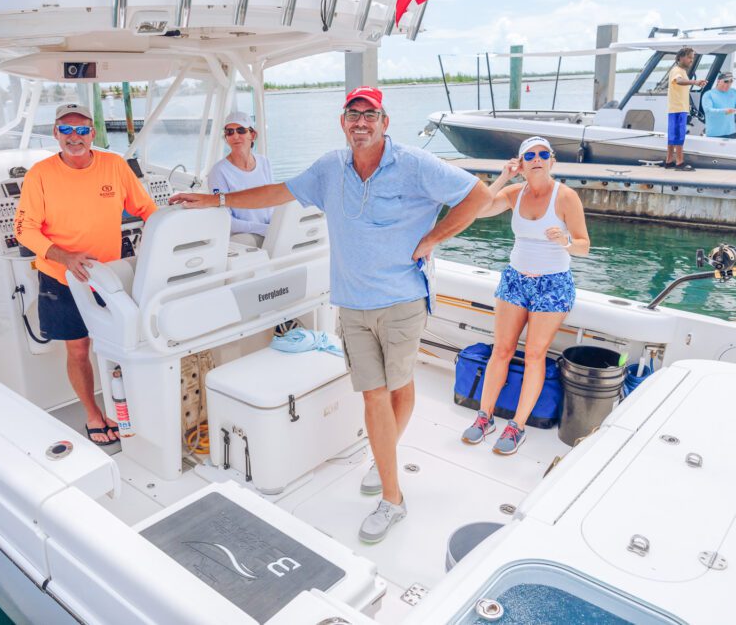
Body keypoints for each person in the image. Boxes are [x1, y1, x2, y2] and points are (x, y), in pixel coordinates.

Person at [171, 86, 492, 543]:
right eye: (353, 115)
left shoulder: (414, 163)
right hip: (352, 302)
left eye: (370, 115)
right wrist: (217, 201)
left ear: (385, 122)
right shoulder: (328, 168)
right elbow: (279, 192)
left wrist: (433, 238)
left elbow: (477, 197)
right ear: (343, 122)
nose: (361, 122)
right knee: (374, 396)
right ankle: (390, 484)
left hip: (402, 299)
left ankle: (388, 488)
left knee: (398, 388)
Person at [14, 103, 158, 446]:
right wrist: (66, 257)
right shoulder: (40, 174)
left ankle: (123, 408)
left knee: (119, 345)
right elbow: (24, 230)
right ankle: (94, 414)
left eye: (82, 130)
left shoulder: (114, 165)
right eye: (66, 129)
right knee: (79, 350)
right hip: (63, 278)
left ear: (93, 134)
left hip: (110, 276)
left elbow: (145, 209)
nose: (74, 137)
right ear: (55, 133)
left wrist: (169, 238)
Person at [461, 136, 590, 455]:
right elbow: (477, 211)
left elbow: (584, 246)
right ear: (521, 162)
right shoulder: (513, 193)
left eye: (543, 154)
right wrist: (504, 175)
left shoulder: (566, 197)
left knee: (534, 354)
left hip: (553, 283)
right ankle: (484, 417)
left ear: (552, 161)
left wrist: (565, 241)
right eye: (529, 155)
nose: (536, 158)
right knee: (502, 350)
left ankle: (516, 426)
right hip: (515, 281)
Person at [206, 111, 274, 247]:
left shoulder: (264, 163)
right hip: (242, 237)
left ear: (252, 135)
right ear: (226, 138)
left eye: (241, 130)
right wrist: (265, 230)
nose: (235, 136)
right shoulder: (218, 172)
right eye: (229, 132)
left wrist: (276, 227)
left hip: (268, 230)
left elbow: (272, 203)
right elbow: (227, 220)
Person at [665, 47, 707, 170]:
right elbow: (678, 81)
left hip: (675, 108)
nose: (691, 60)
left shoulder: (679, 70)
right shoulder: (677, 70)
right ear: (680, 57)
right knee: (679, 135)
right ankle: (679, 162)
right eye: (689, 57)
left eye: (692, 58)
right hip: (678, 109)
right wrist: (694, 82)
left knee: (673, 135)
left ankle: (668, 161)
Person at [702, 72, 736, 139]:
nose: (728, 84)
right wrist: (725, 111)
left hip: (731, 132)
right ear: (718, 81)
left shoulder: (734, 92)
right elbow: (708, 110)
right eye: (726, 81)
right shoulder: (708, 94)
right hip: (714, 134)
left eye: (731, 81)